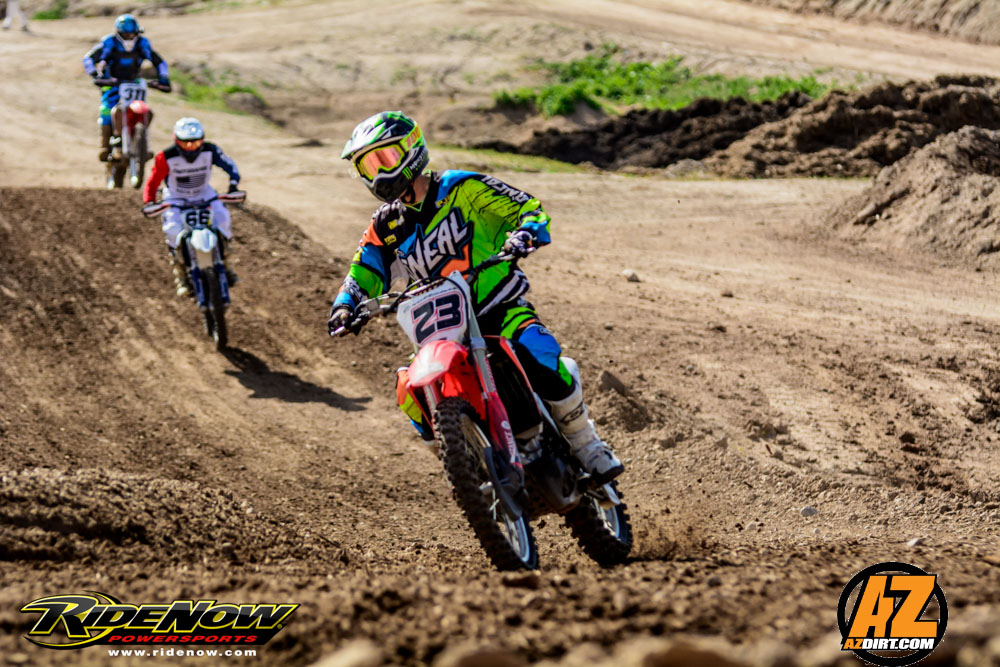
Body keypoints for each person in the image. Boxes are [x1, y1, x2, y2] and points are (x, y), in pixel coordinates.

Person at [328, 111, 624, 483]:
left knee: (538, 350)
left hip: (497, 306)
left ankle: (587, 444)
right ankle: (468, 467)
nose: (379, 174)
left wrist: (526, 232)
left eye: (384, 159)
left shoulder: (461, 188)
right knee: (408, 391)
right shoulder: (385, 225)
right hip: (441, 328)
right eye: (368, 166)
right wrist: (346, 303)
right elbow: (364, 269)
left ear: (411, 149)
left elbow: (525, 207)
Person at [143, 117, 242, 297]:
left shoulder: (211, 150)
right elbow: (153, 181)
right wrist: (149, 201)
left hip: (203, 193)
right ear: (176, 140)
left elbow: (230, 165)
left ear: (202, 140)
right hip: (176, 196)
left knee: (223, 218)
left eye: (195, 142)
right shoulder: (166, 157)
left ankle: (228, 264)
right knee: (172, 230)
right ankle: (180, 275)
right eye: (185, 142)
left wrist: (233, 185)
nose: (190, 147)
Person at [82, 14, 170, 163]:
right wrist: (94, 74)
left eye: (132, 34)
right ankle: (107, 146)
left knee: (146, 111)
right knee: (107, 110)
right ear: (119, 32)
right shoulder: (109, 42)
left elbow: (159, 62)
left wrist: (164, 78)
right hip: (112, 82)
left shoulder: (142, 44)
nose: (129, 37)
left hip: (134, 83)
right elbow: (88, 58)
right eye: (126, 34)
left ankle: (141, 143)